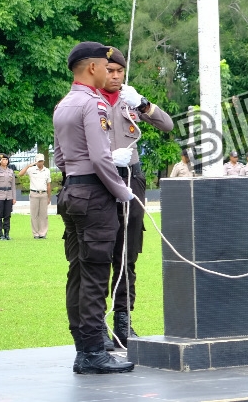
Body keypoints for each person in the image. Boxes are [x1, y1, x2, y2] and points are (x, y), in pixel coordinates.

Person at [53, 42, 136, 374]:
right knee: (95, 276)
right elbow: (102, 158)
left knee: (77, 272)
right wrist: (122, 191)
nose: (108, 71)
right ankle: (92, 352)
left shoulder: (63, 104)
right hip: (95, 195)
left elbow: (60, 158)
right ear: (92, 68)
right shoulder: (93, 104)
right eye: (105, 66)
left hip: (71, 190)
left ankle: (82, 348)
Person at [100, 48, 175, 349]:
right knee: (98, 254)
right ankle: (97, 328)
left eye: (119, 71)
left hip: (131, 177)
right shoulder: (90, 101)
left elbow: (167, 125)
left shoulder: (130, 100)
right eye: (109, 70)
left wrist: (143, 104)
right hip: (101, 179)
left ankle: (124, 323)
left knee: (127, 254)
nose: (115, 76)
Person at [24, 156, 53, 238]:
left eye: (41, 161)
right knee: (34, 214)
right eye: (38, 161)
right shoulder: (31, 170)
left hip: (43, 194)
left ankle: (42, 233)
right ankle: (35, 233)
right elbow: (20, 174)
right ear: (36, 162)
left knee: (43, 214)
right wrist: (28, 166)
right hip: (34, 193)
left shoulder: (47, 170)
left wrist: (49, 197)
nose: (40, 163)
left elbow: (48, 184)